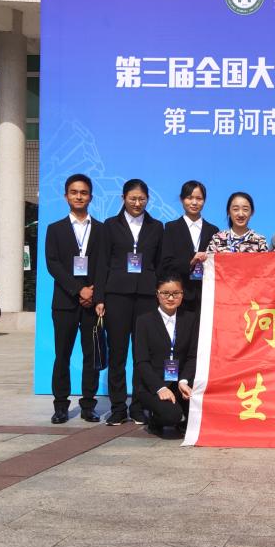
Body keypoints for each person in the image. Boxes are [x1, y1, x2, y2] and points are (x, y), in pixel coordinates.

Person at [95, 178, 164, 426]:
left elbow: (160, 263)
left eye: (142, 199)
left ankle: (138, 406)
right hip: (117, 296)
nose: (137, 203)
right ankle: (117, 407)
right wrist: (100, 297)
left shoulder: (157, 227)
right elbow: (102, 262)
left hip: (146, 296)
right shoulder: (110, 225)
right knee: (118, 353)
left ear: (148, 200)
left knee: (142, 355)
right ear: (123, 198)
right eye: (133, 198)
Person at [44, 174, 104, 424]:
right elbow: (53, 264)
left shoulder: (101, 229)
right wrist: (79, 290)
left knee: (92, 356)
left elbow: (104, 265)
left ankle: (88, 405)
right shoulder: (55, 229)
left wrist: (94, 293)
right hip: (65, 302)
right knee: (62, 355)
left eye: (84, 192)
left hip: (93, 304)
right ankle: (60, 406)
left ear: (90, 196)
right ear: (66, 196)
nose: (79, 196)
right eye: (74, 192)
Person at [133, 272, 198, 437]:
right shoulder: (144, 321)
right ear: (157, 294)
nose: (170, 298)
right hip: (153, 385)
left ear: (182, 294)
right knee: (171, 415)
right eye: (165, 293)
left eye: (176, 293)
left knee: (198, 414)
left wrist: (184, 380)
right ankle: (154, 419)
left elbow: (192, 356)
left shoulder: (190, 319)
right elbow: (141, 361)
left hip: (181, 383)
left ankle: (182, 416)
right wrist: (159, 387)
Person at [160, 180, 218, 314]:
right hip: (179, 295)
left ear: (204, 201)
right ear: (182, 199)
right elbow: (166, 263)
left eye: (199, 198)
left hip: (206, 295)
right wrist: (190, 262)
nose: (194, 202)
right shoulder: (171, 228)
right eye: (189, 198)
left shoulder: (213, 230)